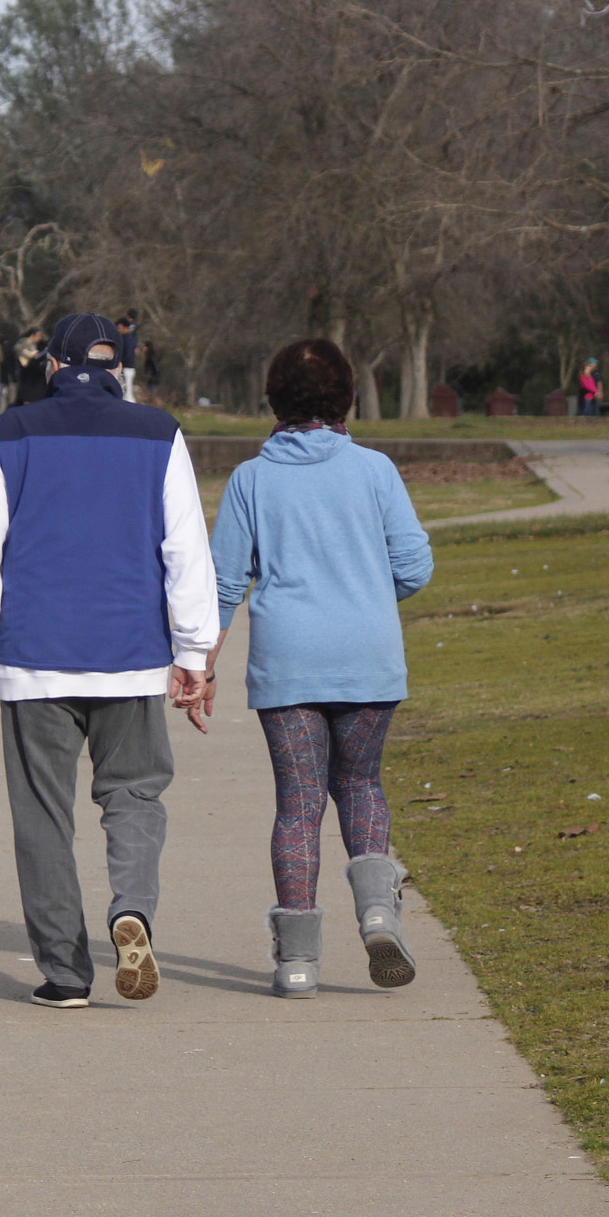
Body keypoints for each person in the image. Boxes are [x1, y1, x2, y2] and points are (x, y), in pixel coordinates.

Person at [0, 312, 217, 1009]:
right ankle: (132, 908)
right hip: (130, 652)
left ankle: (64, 971)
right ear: (119, 367)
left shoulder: (13, 434)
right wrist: (192, 650)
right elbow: (185, 551)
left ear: (53, 366)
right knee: (135, 792)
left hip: (39, 655)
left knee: (42, 817)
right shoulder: (160, 434)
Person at [195, 338, 432, 999]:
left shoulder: (251, 479)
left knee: (298, 805)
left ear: (274, 399)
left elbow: (221, 584)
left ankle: (297, 963)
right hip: (368, 656)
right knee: (361, 784)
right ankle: (379, 910)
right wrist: (365, 592)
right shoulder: (376, 471)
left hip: (289, 663)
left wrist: (199, 663)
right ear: (345, 396)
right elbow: (414, 566)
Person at [13, 327, 50, 407]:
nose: (39, 338)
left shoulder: (35, 345)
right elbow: (17, 349)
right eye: (37, 336)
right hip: (24, 370)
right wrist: (30, 354)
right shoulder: (24, 342)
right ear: (33, 335)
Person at [116, 311, 140, 402]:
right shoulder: (126, 338)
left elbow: (129, 355)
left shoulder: (128, 338)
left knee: (128, 394)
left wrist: (122, 364)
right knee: (125, 393)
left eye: (120, 327)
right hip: (125, 367)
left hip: (127, 368)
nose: (119, 329)